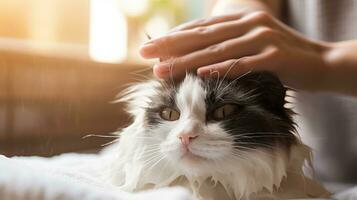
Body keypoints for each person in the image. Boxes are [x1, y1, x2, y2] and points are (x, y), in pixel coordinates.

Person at [139, 0, 357, 184]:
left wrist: (323, 62)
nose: (185, 134)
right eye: (170, 115)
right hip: (317, 174)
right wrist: (238, 8)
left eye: (223, 112)